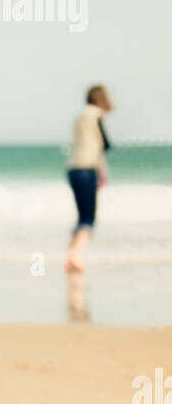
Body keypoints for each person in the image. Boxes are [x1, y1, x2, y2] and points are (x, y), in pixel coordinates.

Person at [65, 85, 113, 274]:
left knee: (81, 216)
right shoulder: (96, 116)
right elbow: (101, 146)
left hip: (73, 168)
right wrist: (102, 172)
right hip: (87, 169)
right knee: (88, 217)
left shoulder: (79, 117)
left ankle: (70, 257)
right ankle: (75, 257)